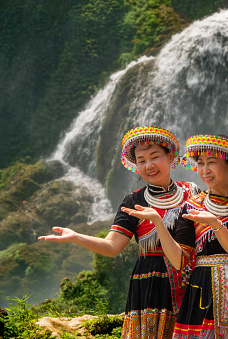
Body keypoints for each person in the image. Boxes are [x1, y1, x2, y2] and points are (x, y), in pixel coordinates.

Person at [39, 126, 200, 338]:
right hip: (151, 284)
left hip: (192, 279)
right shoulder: (133, 201)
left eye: (154, 157)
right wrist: (76, 237)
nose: (149, 165)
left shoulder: (193, 192)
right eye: (141, 160)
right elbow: (112, 246)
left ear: (170, 157)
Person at [123, 134, 228, 339]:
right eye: (200, 164)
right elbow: (179, 261)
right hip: (204, 289)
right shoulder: (192, 206)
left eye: (211, 163)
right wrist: (158, 222)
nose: (205, 170)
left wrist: (214, 223)